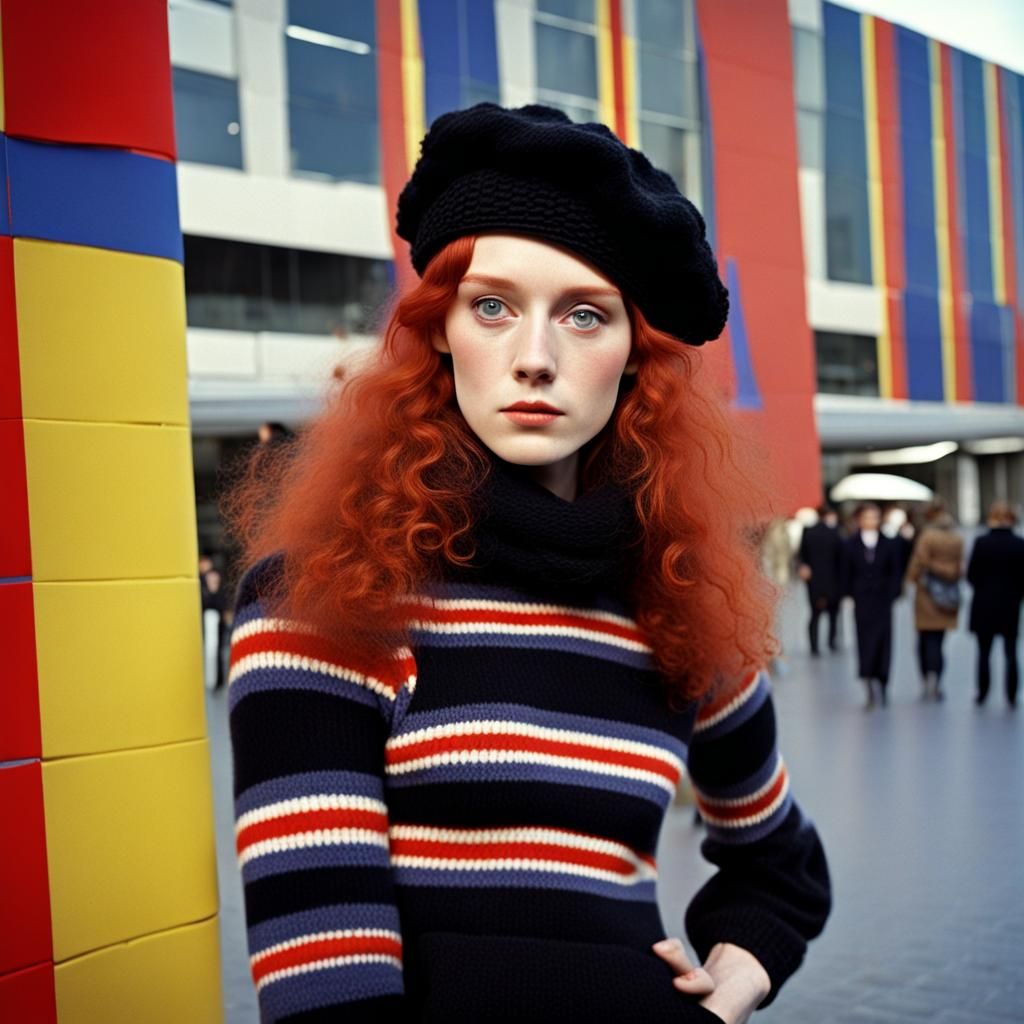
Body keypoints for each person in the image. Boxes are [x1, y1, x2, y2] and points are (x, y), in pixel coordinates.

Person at [224, 103, 830, 1023]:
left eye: (586, 315)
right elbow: (323, 986)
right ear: (439, 329)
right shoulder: (326, 602)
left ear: (636, 358)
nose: (535, 358)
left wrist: (735, 982)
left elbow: (781, 863)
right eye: (494, 307)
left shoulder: (676, 603)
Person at [841, 502, 903, 708]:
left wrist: (892, 593)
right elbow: (845, 572)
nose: (871, 521)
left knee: (884, 641)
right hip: (862, 601)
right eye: (867, 517)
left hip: (883, 600)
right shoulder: (850, 544)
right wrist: (850, 593)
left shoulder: (889, 543)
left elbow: (896, 571)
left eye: (874, 517)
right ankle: (867, 681)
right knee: (864, 642)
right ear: (860, 520)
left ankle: (883, 681)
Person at [966, 501, 1024, 707]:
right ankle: (1011, 694)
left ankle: (982, 692)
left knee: (984, 652)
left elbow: (971, 574)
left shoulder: (982, 542)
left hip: (984, 604)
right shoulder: (1019, 543)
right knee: (1011, 653)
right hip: (1010, 605)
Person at [904, 502, 963, 701]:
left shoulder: (927, 538)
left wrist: (910, 579)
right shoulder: (956, 538)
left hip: (927, 593)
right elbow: (961, 565)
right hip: (948, 594)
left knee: (925, 640)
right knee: (938, 641)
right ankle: (937, 679)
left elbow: (918, 563)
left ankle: (926, 678)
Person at [797, 505, 842, 655]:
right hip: (833, 580)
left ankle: (814, 646)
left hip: (814, 580)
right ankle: (831, 641)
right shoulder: (835, 533)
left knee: (815, 614)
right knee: (833, 614)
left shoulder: (808, 532)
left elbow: (801, 556)